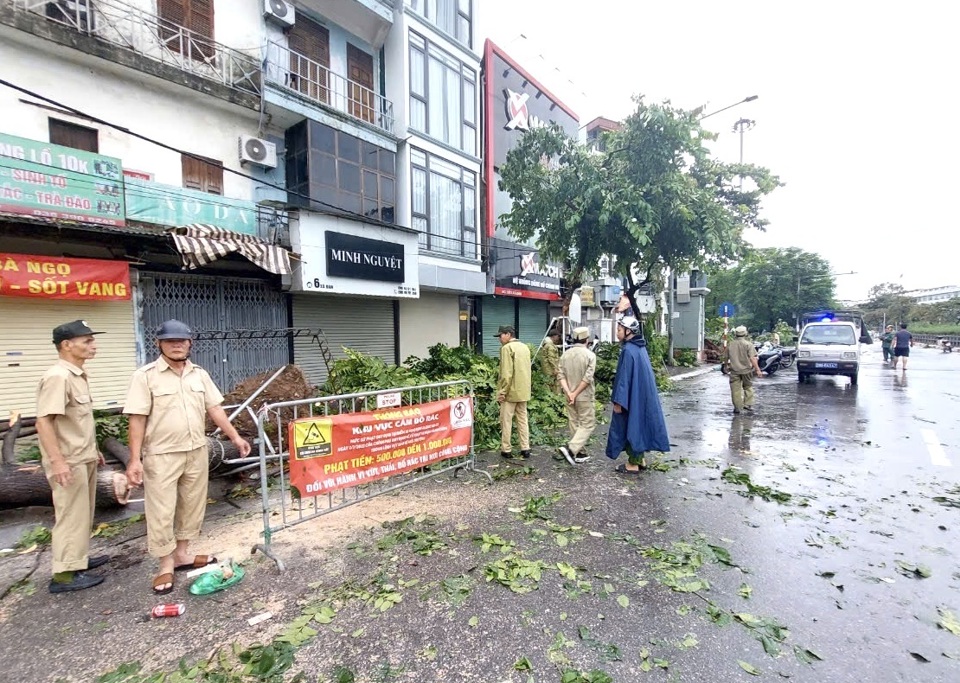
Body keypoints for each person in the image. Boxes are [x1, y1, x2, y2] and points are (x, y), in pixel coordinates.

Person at [123, 320, 251, 595]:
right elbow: (136, 420)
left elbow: (214, 409)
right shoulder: (145, 376)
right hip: (161, 454)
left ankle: (182, 555)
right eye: (171, 341)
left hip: (196, 450)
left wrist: (235, 437)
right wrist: (134, 460)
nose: (177, 345)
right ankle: (165, 565)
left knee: (192, 506)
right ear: (159, 344)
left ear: (190, 343)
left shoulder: (199, 374)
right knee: (161, 510)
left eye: (182, 340)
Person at [35, 320, 110, 593]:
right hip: (68, 460)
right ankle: (64, 575)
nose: (93, 345)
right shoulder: (58, 376)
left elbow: (74, 421)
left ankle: (77, 559)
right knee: (70, 515)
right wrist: (57, 461)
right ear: (67, 345)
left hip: (82, 456)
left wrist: (95, 449)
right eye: (87, 341)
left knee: (82, 513)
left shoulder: (76, 374)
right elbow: (44, 422)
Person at [605, 316, 671, 474]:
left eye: (619, 329)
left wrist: (619, 402)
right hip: (642, 394)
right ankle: (640, 459)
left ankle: (633, 464)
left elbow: (624, 378)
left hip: (632, 396)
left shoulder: (628, 350)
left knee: (630, 426)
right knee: (639, 425)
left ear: (628, 332)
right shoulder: (640, 348)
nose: (617, 332)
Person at [557, 326, 597, 465]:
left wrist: (569, 392)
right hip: (584, 395)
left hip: (568, 395)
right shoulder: (590, 355)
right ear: (587, 339)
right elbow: (588, 378)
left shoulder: (565, 355)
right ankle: (571, 449)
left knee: (574, 422)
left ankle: (580, 453)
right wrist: (576, 393)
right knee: (587, 424)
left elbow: (560, 376)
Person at [494, 325, 531, 459]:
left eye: (500, 335)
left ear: (508, 334)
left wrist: (502, 392)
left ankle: (506, 449)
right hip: (524, 391)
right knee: (522, 420)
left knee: (506, 421)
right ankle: (525, 448)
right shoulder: (524, 347)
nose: (499, 338)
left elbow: (506, 373)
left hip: (510, 392)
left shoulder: (506, 348)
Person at [724, 325, 763, 414]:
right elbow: (753, 358)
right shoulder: (748, 344)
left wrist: (726, 366)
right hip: (746, 370)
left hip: (734, 370)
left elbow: (726, 357)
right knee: (748, 387)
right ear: (745, 333)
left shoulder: (731, 344)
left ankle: (737, 407)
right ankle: (747, 404)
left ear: (736, 334)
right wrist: (758, 370)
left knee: (735, 389)